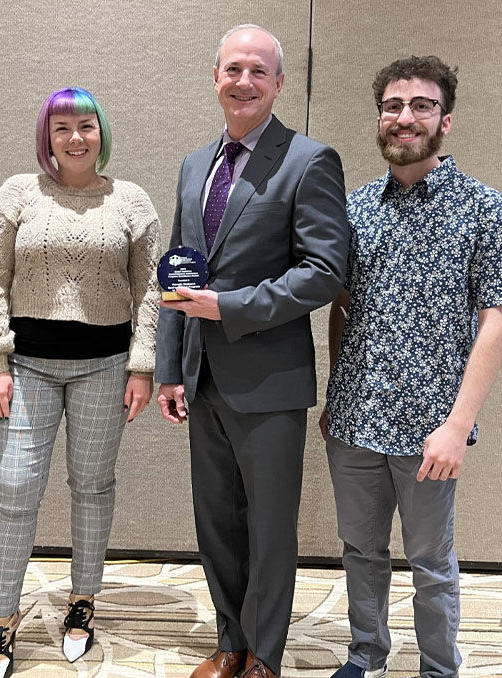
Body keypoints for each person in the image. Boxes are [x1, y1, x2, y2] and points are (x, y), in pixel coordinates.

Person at [320, 56, 502, 678]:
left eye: (421, 106)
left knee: (430, 563)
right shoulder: (354, 209)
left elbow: (495, 322)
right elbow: (342, 309)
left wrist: (459, 423)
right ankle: (366, 656)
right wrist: (337, 397)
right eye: (392, 105)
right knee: (361, 551)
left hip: (431, 429)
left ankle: (440, 668)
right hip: (356, 420)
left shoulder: (484, 207)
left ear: (446, 121)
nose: (404, 117)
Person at [155, 25, 349, 678]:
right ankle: (230, 642)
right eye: (233, 68)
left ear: (279, 84)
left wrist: (230, 308)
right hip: (200, 379)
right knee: (216, 525)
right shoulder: (193, 165)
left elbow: (324, 271)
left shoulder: (308, 161)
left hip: (269, 380)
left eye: (258, 71)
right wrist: (169, 369)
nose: (244, 81)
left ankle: (264, 655)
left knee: (268, 530)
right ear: (216, 77)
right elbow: (176, 275)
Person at [0, 86, 161, 676]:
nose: (75, 138)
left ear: (102, 132)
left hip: (105, 367)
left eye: (86, 125)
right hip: (27, 365)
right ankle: (0, 620)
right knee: (13, 489)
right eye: (61, 128)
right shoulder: (17, 194)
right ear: (46, 137)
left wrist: (142, 365)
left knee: (93, 485)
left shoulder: (131, 201)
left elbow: (152, 289)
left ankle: (83, 601)